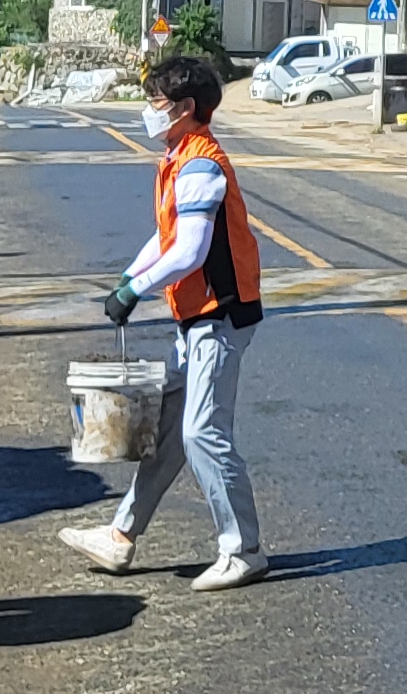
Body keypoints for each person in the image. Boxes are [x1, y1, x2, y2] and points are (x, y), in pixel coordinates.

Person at [62, 54, 275, 591]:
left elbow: (190, 252)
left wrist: (136, 289)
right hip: (198, 317)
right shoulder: (180, 158)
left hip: (219, 317)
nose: (148, 111)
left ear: (184, 109)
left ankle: (243, 548)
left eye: (156, 102)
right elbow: (167, 239)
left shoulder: (201, 165)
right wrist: (128, 278)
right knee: (173, 435)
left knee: (203, 432)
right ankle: (121, 535)